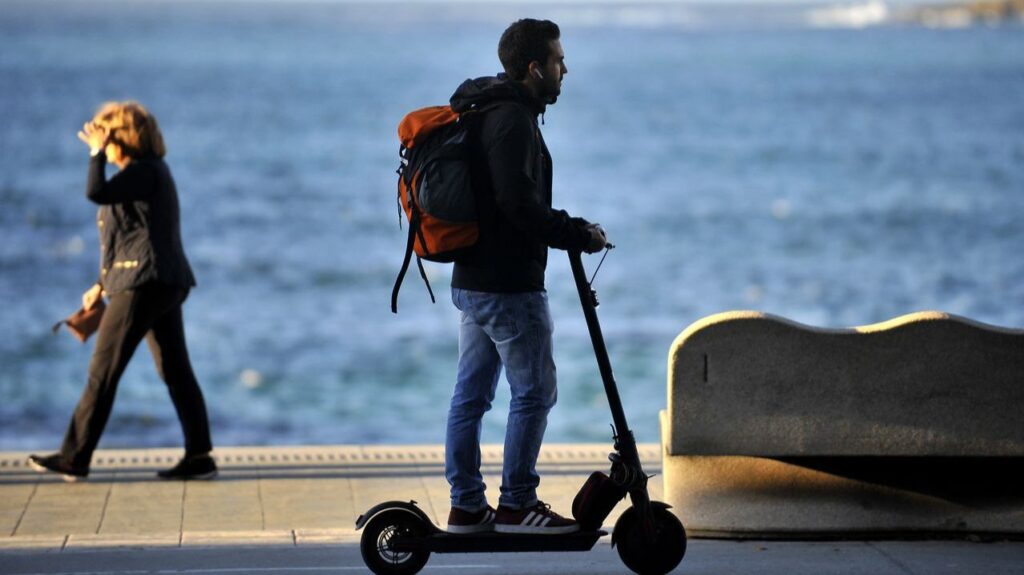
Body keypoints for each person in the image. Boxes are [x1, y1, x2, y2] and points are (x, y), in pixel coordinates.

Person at [443, 19, 608, 535]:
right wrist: (575, 232)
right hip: (508, 285)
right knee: (535, 392)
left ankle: (467, 507)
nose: (565, 69)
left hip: (474, 281)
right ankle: (516, 504)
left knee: (471, 396)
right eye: (559, 60)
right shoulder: (512, 119)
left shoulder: (489, 110)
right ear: (535, 68)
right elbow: (517, 204)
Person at [29, 101, 216, 482]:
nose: (101, 145)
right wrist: (101, 284)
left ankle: (74, 458)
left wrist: (95, 155)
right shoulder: (143, 176)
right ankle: (199, 457)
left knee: (103, 371)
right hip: (158, 281)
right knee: (176, 370)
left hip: (144, 285)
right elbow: (130, 238)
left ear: (122, 139)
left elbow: (95, 192)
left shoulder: (145, 171)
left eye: (106, 137)